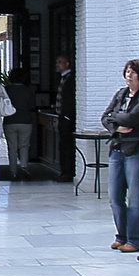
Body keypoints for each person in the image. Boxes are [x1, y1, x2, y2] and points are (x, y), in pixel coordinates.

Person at [101, 59, 139, 254]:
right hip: (117, 147)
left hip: (137, 148)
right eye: (127, 71)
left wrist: (115, 116)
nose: (129, 75)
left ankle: (137, 239)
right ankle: (122, 235)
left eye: (133, 72)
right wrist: (117, 125)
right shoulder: (121, 93)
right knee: (115, 196)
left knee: (135, 196)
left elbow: (134, 118)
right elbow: (105, 117)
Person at [2, 68, 37, 179]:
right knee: (24, 146)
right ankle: (24, 166)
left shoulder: (6, 89)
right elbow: (32, 106)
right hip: (26, 121)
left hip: (10, 121)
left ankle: (13, 171)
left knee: (12, 147)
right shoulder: (28, 90)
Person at [52, 54, 76, 183]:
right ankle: (64, 171)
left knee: (66, 145)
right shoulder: (62, 78)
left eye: (60, 62)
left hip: (66, 118)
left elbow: (69, 99)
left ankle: (68, 172)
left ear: (67, 64)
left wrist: (67, 116)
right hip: (62, 116)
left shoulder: (70, 79)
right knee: (63, 145)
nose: (57, 65)